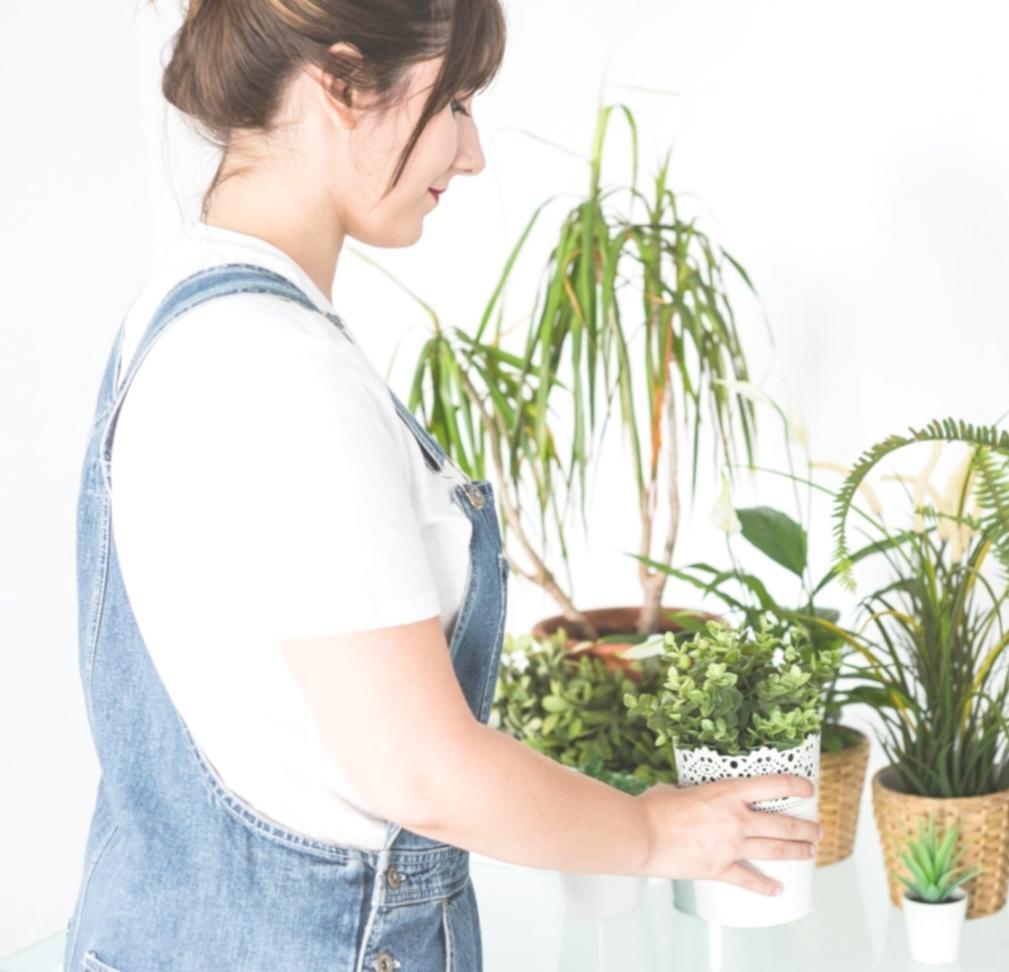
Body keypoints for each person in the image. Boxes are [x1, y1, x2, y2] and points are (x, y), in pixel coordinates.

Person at [64, 2, 818, 969]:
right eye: (455, 102)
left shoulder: (175, 316)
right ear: (342, 84)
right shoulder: (281, 368)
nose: (470, 154)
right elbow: (421, 769)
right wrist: (656, 834)